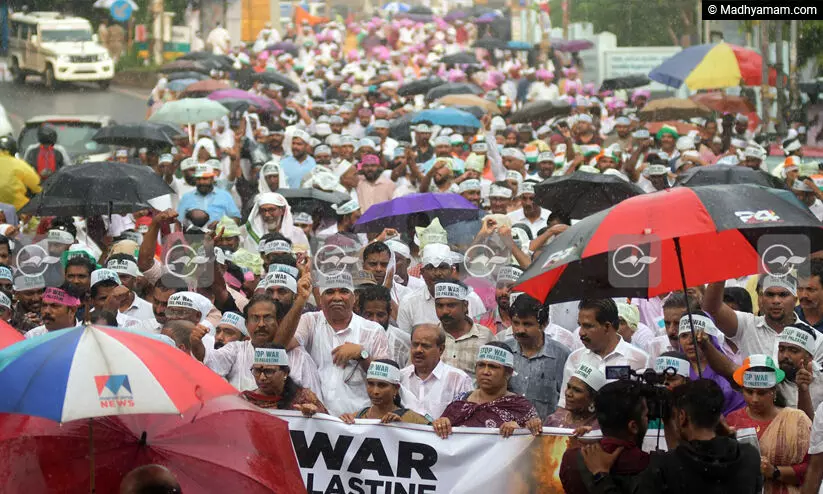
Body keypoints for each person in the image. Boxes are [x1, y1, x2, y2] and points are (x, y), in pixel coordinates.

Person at [608, 379, 763, 494]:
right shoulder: (749, 455)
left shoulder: (664, 465)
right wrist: (729, 437)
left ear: (682, 417)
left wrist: (600, 476)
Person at [726, 355, 812, 494]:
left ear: (774, 391)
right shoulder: (732, 420)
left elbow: (812, 468)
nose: (754, 399)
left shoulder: (796, 420)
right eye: (749, 392)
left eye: (761, 393)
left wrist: (774, 471)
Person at [559, 380, 650, 494]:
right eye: (646, 415)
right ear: (633, 427)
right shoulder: (650, 465)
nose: (648, 419)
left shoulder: (571, 459)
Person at [432, 342, 541, 438]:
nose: (485, 372)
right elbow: (441, 438)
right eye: (481, 365)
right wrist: (441, 424)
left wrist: (521, 433)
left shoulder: (521, 408)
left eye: (493, 367)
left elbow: (533, 447)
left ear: (508, 373)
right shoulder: (461, 401)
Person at [558, 298, 649, 408]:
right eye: (580, 325)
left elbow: (645, 410)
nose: (581, 332)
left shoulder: (640, 359)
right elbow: (564, 407)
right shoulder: (575, 358)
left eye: (588, 326)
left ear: (607, 327)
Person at [503, 292, 571, 419]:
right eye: (516, 323)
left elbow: (567, 402)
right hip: (507, 434)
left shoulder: (562, 355)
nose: (520, 330)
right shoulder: (503, 351)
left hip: (545, 434)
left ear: (544, 324)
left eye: (527, 324)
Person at [399, 323, 473, 421]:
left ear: (441, 349)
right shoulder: (400, 377)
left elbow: (467, 419)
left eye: (425, 346)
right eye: (415, 344)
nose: (418, 350)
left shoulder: (458, 379)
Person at [240, 343, 327, 415]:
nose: (262, 377)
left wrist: (315, 414)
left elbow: (328, 425)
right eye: (257, 371)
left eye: (269, 371)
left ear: (285, 373)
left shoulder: (303, 397)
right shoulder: (246, 400)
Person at [433, 280, 495, 377]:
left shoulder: (485, 336)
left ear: (465, 306)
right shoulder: (431, 336)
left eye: (451, 305)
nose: (445, 311)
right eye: (440, 306)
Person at [340, 359, 430, 424]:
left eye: (382, 385)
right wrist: (341, 423)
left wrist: (402, 427)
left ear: (396, 389)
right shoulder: (357, 417)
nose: (375, 391)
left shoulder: (412, 419)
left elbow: (434, 435)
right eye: (370, 384)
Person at [776, 322, 823, 419]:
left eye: (793, 351)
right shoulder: (773, 379)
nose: (785, 355)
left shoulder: (821, 380)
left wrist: (803, 390)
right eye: (781, 349)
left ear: (809, 357)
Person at [544, 362, 605, 429]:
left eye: (577, 390)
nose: (568, 393)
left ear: (593, 399)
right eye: (568, 387)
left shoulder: (600, 428)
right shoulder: (553, 420)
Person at [0, 135, 41, 210]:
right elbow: (37, 186)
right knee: (35, 220)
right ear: (13, 150)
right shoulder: (20, 164)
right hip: (16, 209)